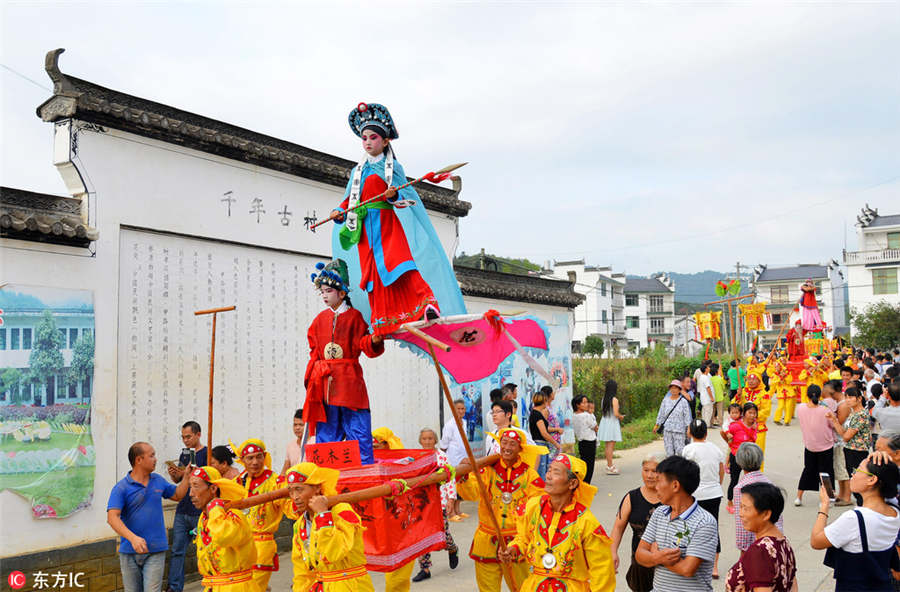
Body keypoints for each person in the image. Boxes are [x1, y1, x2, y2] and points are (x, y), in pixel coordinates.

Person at [331, 102, 464, 335]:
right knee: (374, 277)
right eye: (364, 138)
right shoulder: (357, 171)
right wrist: (339, 212)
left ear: (385, 141)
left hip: (387, 225)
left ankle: (427, 307)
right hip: (365, 231)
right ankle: (384, 320)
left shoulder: (393, 167)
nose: (368, 142)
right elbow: (348, 200)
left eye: (373, 137)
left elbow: (407, 194)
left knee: (401, 265)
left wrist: (395, 194)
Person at [304, 259, 385, 465]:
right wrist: (312, 379)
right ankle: (326, 474)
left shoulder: (355, 317)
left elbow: (363, 343)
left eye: (328, 291)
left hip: (349, 380)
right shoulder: (318, 320)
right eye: (321, 291)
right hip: (324, 381)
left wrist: (374, 339)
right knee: (326, 433)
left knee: (358, 431)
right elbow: (314, 351)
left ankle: (364, 474)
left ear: (342, 293)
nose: (324, 295)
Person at [499, 453, 616, 592]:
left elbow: (602, 570)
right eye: (549, 470)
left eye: (556, 472)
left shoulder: (586, 521)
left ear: (572, 483)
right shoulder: (534, 506)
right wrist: (512, 549)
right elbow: (524, 538)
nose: (548, 476)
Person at [456, 427, 546, 592]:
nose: (507, 447)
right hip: (486, 540)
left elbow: (539, 505)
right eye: (504, 442)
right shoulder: (487, 469)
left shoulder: (529, 474)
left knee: (522, 587)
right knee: (487, 588)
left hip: (516, 542)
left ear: (520, 449)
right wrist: (463, 478)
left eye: (513, 444)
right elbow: (472, 493)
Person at [107, 442, 191, 592]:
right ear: (139, 460)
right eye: (151, 455)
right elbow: (112, 518)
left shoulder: (158, 480)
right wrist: (133, 538)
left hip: (156, 550)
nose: (156, 459)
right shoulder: (121, 488)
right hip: (129, 552)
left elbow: (178, 495)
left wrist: (186, 478)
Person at [282, 462, 375, 591]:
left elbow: (334, 553)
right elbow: (302, 572)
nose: (295, 497)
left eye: (299, 489)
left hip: (350, 585)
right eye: (291, 491)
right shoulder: (300, 524)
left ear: (317, 488)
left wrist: (322, 515)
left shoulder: (342, 511)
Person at [810, 458, 900, 591]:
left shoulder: (854, 519)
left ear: (872, 479)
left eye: (857, 470)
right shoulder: (894, 512)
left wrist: (824, 506)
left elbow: (816, 541)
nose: (852, 475)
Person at [635, 455, 718, 591]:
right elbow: (640, 554)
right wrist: (657, 557)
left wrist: (656, 557)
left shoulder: (704, 522)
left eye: (659, 481)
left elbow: (687, 569)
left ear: (675, 485)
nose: (656, 487)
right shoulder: (660, 513)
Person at [186, 466, 255, 592]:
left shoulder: (233, 515)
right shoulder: (205, 517)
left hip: (236, 587)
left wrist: (216, 509)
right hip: (213, 585)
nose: (190, 493)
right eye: (190, 487)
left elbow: (224, 537)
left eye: (195, 486)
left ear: (213, 488)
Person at [231, 438, 285, 592]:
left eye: (258, 456)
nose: (255, 462)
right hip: (238, 547)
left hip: (261, 546)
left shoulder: (276, 483)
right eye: (250, 458)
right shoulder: (235, 483)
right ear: (242, 460)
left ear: (264, 457)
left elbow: (290, 508)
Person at [725, 482, 797, 592]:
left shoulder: (760, 551)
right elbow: (793, 586)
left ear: (766, 514)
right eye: (740, 507)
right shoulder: (783, 542)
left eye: (745, 508)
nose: (740, 513)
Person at [611, 452, 664, 592]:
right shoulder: (632, 497)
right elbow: (618, 527)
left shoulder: (669, 498)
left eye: (654, 471)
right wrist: (612, 551)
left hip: (665, 563)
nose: (649, 475)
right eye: (646, 470)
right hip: (639, 561)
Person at [165, 421, 207, 592]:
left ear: (198, 434)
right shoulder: (185, 454)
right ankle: (175, 587)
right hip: (182, 509)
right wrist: (176, 475)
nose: (186, 441)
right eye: (183, 437)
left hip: (199, 510)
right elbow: (181, 482)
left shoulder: (207, 453)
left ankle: (210, 583)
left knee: (205, 549)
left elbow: (205, 480)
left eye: (188, 436)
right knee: (177, 550)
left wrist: (187, 475)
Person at [413, 428, 459, 582]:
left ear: (435, 440)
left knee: (442, 533)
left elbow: (450, 478)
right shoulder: (415, 457)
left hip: (440, 502)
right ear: (420, 441)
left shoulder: (442, 457)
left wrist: (451, 498)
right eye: (424, 439)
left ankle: (452, 548)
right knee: (422, 535)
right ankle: (424, 568)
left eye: (430, 439)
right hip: (422, 503)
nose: (427, 441)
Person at [682, 419, 725, 578]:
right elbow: (721, 471)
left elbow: (684, 472)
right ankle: (714, 567)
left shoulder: (687, 450)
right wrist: (717, 485)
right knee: (712, 528)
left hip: (694, 495)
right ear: (706, 433)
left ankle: (691, 561)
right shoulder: (715, 449)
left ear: (690, 433)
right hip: (714, 494)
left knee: (690, 527)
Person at [732, 443, 784, 553]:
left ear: (739, 462)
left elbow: (742, 522)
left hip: (756, 544)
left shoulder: (740, 488)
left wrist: (743, 549)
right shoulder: (769, 483)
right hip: (776, 539)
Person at [828, 386, 872, 505]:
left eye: (851, 397)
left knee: (859, 483)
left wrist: (839, 428)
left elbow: (846, 436)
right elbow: (844, 433)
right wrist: (834, 420)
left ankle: (863, 506)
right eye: (846, 397)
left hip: (857, 451)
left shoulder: (861, 414)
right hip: (850, 449)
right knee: (854, 480)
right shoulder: (854, 413)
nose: (848, 400)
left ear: (859, 398)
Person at [794, 384, 835, 506]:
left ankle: (799, 497)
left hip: (810, 445)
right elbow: (833, 424)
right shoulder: (825, 410)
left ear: (807, 395)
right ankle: (828, 498)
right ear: (820, 395)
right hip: (826, 445)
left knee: (808, 470)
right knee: (826, 472)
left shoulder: (801, 408)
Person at [725, 403, 758, 514]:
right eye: (750, 412)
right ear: (744, 414)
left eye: (754, 413)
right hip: (736, 456)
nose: (752, 415)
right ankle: (730, 502)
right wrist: (730, 444)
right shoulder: (735, 426)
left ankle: (748, 502)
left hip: (749, 457)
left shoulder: (755, 426)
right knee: (734, 480)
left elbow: (754, 440)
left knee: (750, 481)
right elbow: (724, 432)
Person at [654, 380, 692, 457]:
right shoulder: (665, 400)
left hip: (679, 430)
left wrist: (688, 428)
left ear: (679, 390)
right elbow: (661, 413)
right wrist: (657, 425)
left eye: (676, 388)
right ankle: (671, 468)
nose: (673, 390)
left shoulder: (683, 402)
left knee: (680, 451)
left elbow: (687, 416)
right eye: (672, 388)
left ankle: (681, 467)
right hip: (667, 430)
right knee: (669, 452)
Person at [598, 380, 625, 475]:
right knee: (611, 446)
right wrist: (621, 416)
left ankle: (609, 464)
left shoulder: (603, 399)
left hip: (605, 422)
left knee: (607, 445)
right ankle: (610, 466)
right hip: (612, 423)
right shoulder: (614, 399)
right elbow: (616, 413)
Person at [529, 391, 556, 478]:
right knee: (541, 471)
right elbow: (544, 433)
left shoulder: (534, 413)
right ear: (544, 401)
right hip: (540, 444)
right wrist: (555, 443)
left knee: (543, 469)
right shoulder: (537, 415)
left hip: (540, 444)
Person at [572, 394, 598, 484]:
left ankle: (582, 483)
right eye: (584, 402)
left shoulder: (574, 416)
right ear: (578, 405)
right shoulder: (586, 415)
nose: (586, 404)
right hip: (589, 442)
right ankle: (586, 485)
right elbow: (595, 427)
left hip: (581, 442)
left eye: (587, 402)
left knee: (584, 464)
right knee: (590, 466)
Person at [281, 408, 314, 474]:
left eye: (301, 425)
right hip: (294, 483)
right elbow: (284, 471)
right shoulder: (290, 446)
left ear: (308, 425)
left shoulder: (315, 442)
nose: (297, 428)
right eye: (295, 425)